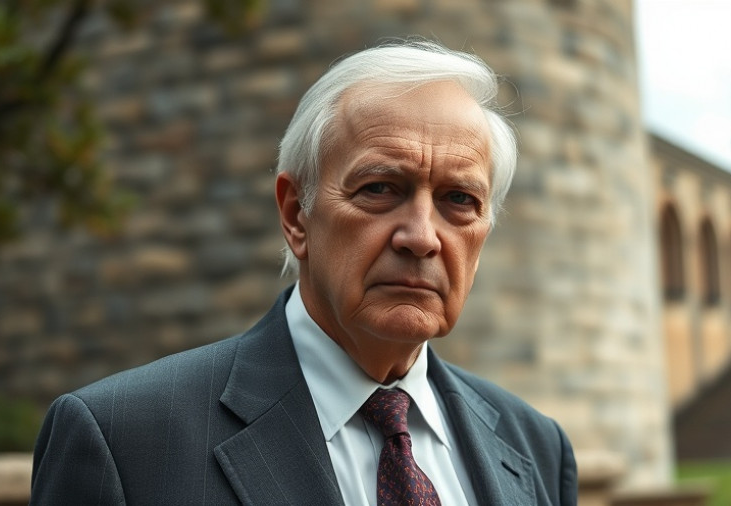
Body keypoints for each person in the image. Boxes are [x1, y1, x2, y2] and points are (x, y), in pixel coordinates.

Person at [31, 40, 578, 505]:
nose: (421, 236)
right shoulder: (123, 440)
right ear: (296, 215)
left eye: (459, 199)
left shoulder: (536, 449)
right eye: (380, 189)